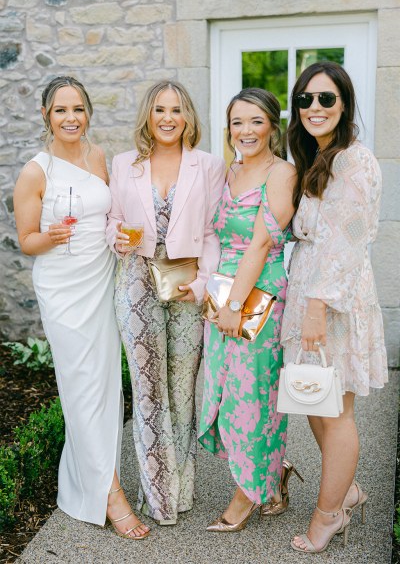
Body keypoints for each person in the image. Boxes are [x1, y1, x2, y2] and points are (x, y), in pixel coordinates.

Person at [13, 76, 150, 540]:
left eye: (77, 109)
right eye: (60, 110)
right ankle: (111, 495)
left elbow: (110, 218)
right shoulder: (36, 171)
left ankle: (83, 483)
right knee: (80, 386)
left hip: (101, 280)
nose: (70, 118)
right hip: (63, 288)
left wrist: (124, 235)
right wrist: (48, 237)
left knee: (106, 385)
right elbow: (26, 240)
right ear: (46, 116)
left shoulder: (98, 157)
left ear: (88, 112)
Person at [106, 80, 225, 525]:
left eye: (176, 110)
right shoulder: (125, 164)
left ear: (188, 116)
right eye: (160, 110)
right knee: (149, 389)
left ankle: (182, 489)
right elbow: (114, 220)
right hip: (137, 281)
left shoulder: (209, 165)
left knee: (180, 389)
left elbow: (213, 231)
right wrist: (114, 236)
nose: (168, 118)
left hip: (187, 284)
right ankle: (156, 495)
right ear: (148, 116)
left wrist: (205, 284)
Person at [281, 61, 388, 553]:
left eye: (326, 98)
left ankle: (329, 516)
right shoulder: (316, 158)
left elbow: (345, 242)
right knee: (313, 403)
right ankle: (346, 491)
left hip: (333, 299)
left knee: (336, 410)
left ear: (343, 104)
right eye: (306, 99)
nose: (315, 108)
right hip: (308, 292)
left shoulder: (354, 161)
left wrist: (318, 306)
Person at [198, 87, 296, 531]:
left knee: (253, 398)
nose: (246, 130)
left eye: (256, 121)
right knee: (227, 392)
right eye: (238, 121)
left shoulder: (282, 173)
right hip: (223, 295)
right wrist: (206, 292)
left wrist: (236, 305)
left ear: (273, 125)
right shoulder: (228, 171)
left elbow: (260, 242)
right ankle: (273, 476)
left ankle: (246, 497)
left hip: (259, 297)